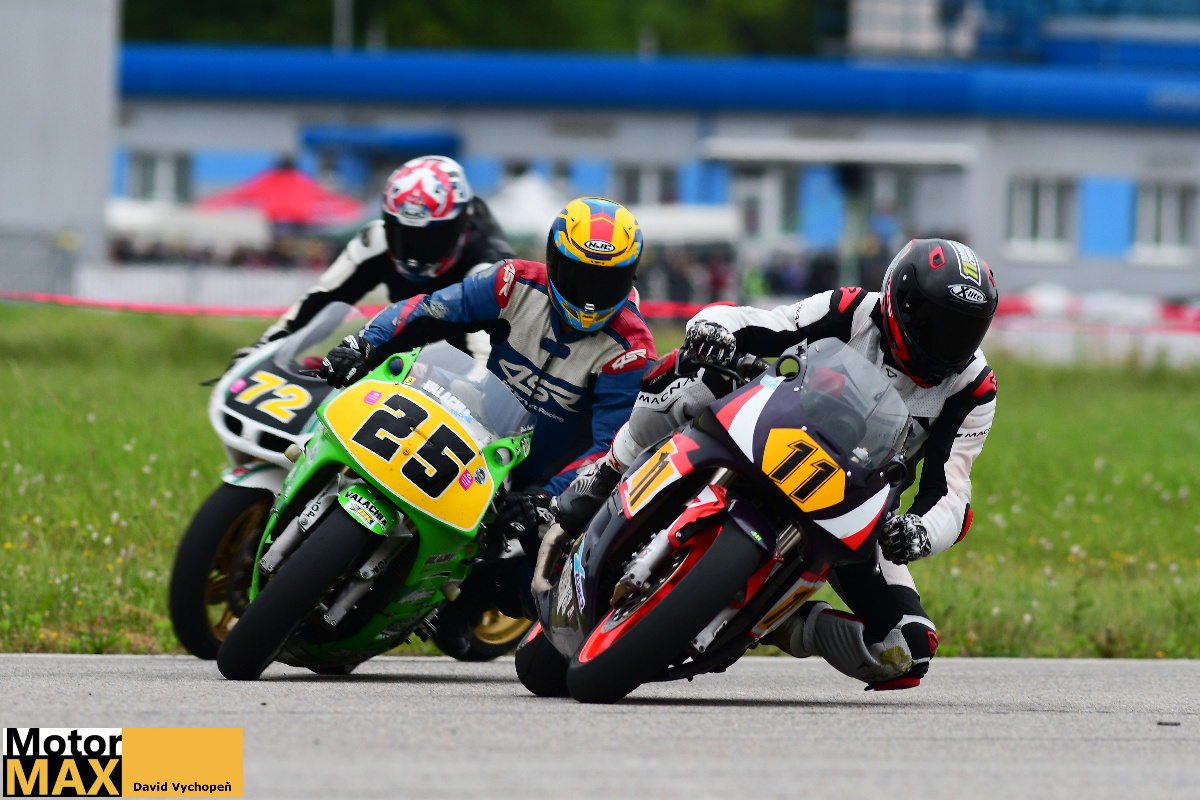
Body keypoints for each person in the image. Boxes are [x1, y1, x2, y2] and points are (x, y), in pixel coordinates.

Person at [555, 238, 999, 691]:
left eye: (963, 333)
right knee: (696, 374)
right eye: (932, 323)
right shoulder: (850, 309)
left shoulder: (974, 389)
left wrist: (919, 532)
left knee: (907, 648)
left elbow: (950, 490)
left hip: (852, 502)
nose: (946, 345)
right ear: (897, 300)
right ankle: (609, 471)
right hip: (772, 433)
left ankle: (779, 620)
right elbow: (765, 323)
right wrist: (713, 328)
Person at [315, 197, 657, 639]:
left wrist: (549, 497)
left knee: (529, 576)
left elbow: (612, 446)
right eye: (580, 276)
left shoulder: (631, 348)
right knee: (386, 406)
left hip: (547, 477)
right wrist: (364, 344)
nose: (590, 296)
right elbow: (430, 308)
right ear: (553, 261)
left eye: (606, 282)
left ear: (630, 277)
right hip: (481, 420)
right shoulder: (513, 282)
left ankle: (466, 608)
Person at [233, 155, 514, 359]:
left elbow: (486, 356)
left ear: (462, 225)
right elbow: (322, 299)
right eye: (404, 235)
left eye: (432, 238)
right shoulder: (376, 240)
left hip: (475, 368)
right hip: (408, 355)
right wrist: (262, 351)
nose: (416, 251)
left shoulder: (489, 267)